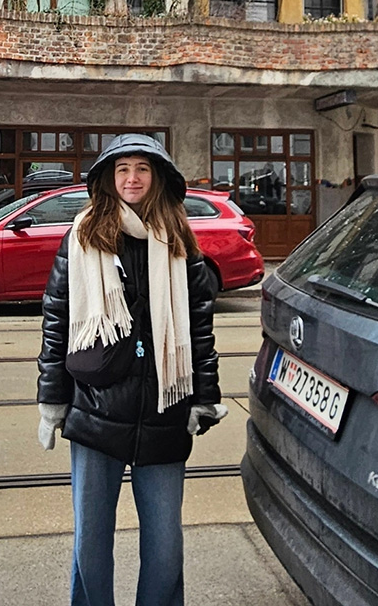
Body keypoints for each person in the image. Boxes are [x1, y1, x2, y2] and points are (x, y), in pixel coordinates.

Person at [37, 134, 227, 606]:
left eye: (142, 168)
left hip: (165, 408)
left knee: (165, 546)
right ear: (108, 178)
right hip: (96, 408)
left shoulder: (179, 239)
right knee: (91, 541)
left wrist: (205, 396)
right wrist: (51, 400)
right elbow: (57, 319)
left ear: (157, 178)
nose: (132, 178)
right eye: (122, 169)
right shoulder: (84, 235)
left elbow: (199, 324)